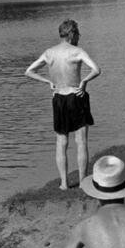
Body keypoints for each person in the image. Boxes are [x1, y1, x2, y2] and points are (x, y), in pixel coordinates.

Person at [24, 19, 101, 191]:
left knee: (61, 142)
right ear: (72, 34)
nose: (79, 37)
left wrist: (48, 82)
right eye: (78, 33)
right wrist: (84, 82)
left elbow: (29, 71)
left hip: (58, 98)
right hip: (76, 96)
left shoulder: (49, 53)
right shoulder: (77, 51)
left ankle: (64, 183)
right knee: (81, 141)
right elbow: (96, 70)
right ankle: (83, 182)